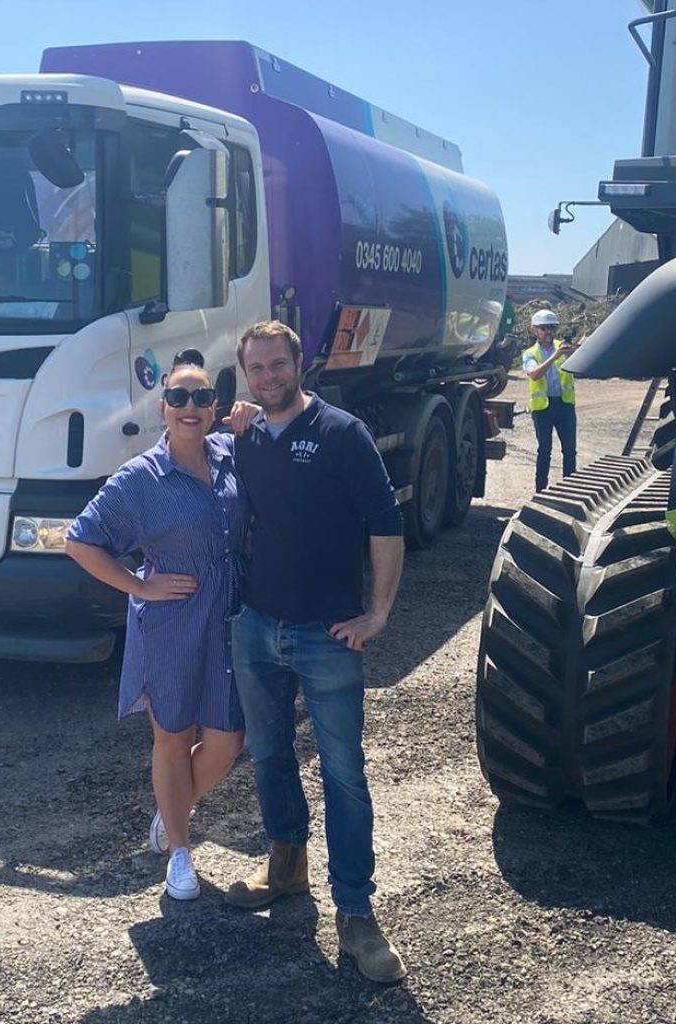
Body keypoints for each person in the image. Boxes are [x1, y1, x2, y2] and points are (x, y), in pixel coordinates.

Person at [225, 319, 408, 984]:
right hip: (257, 626)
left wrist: (377, 614)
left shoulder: (341, 433)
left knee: (343, 777)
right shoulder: (244, 436)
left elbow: (386, 522)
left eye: (278, 365)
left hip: (327, 634)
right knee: (268, 754)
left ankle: (356, 915)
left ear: (298, 363)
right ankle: (285, 865)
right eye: (257, 368)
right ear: (245, 373)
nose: (268, 377)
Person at [65, 358, 246, 902]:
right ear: (162, 407)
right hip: (172, 620)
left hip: (230, 618)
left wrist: (253, 418)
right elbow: (80, 541)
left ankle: (173, 810)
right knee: (173, 734)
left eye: (202, 397)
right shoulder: (138, 479)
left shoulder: (232, 454)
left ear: (215, 405)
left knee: (228, 740)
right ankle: (180, 853)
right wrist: (138, 587)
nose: (190, 408)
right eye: (179, 398)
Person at [521, 309, 578, 492]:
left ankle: (569, 490)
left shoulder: (563, 347)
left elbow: (580, 367)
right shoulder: (530, 354)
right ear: (534, 330)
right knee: (544, 451)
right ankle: (540, 490)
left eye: (552, 328)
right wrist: (555, 357)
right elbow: (534, 374)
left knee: (569, 451)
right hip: (542, 408)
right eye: (544, 328)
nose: (549, 332)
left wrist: (572, 354)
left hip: (564, 405)